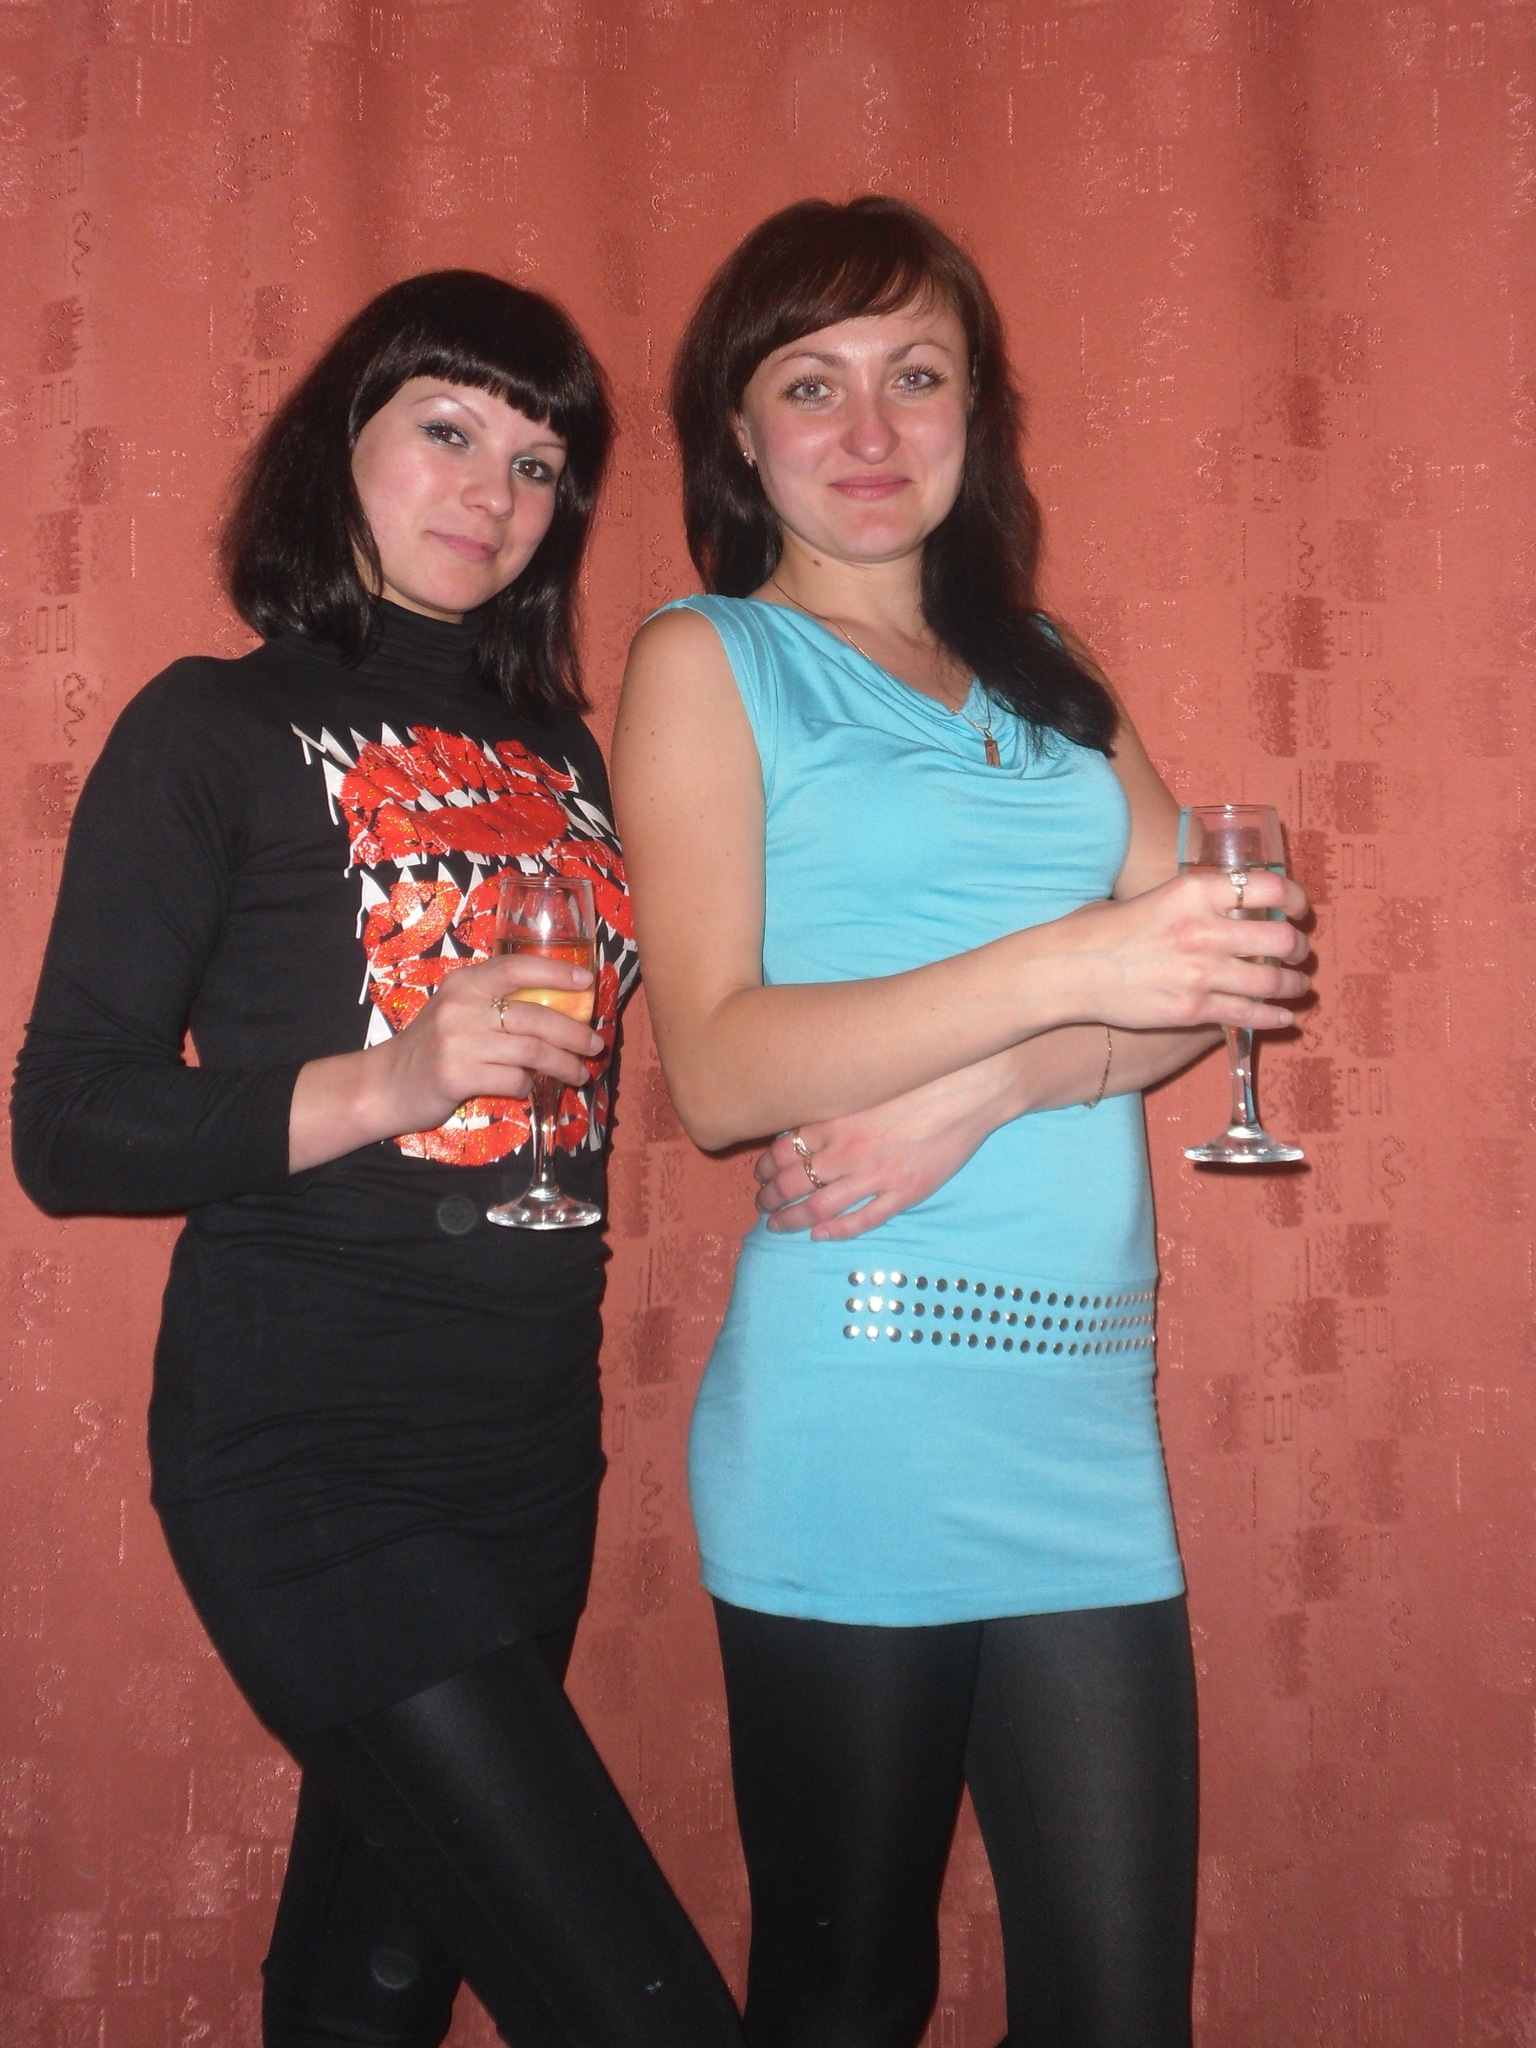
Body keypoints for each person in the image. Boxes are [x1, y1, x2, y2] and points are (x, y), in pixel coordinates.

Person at [12, 272, 744, 2048]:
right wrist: (392, 1079)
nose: (494, 492)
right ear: (339, 443)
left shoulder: (569, 753)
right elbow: (67, 1125)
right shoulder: (212, 723)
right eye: (449, 430)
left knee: (373, 1989)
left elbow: (713, 1005)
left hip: (528, 1455)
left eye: (539, 463)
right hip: (310, 1454)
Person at [612, 197, 1312, 2048]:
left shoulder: (1046, 663)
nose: (869, 429)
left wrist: (990, 1085)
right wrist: (1072, 963)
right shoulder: (708, 659)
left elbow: (1213, 977)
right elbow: (719, 1073)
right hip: (860, 1397)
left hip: (1081, 1422)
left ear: (975, 413)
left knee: (1118, 2014)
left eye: (915, 377)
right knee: (850, 1997)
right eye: (811, 383)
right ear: (738, 430)